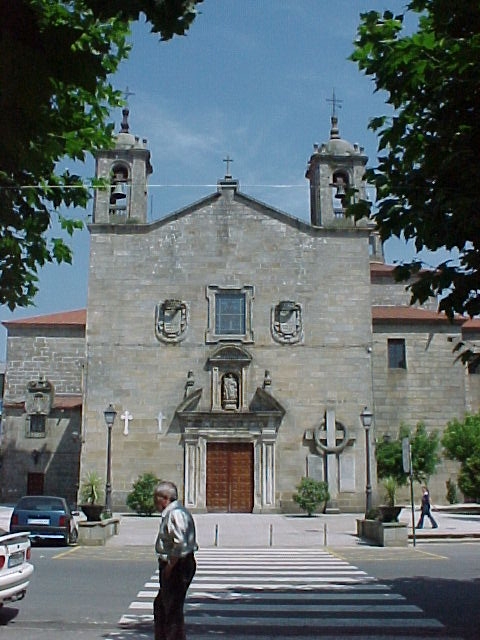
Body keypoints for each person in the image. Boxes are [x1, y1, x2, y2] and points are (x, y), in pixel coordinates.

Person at [153, 481, 198, 640]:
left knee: (171, 610)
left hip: (178, 566)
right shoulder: (175, 512)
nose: (154, 502)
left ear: (165, 498)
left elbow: (180, 544)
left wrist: (170, 567)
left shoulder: (175, 514)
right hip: (178, 564)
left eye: (156, 498)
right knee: (162, 606)